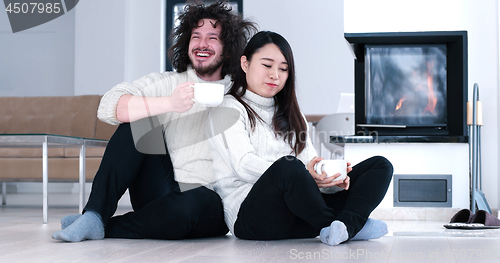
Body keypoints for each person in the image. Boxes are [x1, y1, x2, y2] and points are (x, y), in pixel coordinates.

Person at [51, 1, 257, 242]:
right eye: (196, 36)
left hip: (208, 204)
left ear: (229, 48)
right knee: (138, 119)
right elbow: (108, 106)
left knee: (198, 199)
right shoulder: (166, 82)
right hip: (159, 190)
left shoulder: (241, 95)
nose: (202, 44)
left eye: (212, 38)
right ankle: (95, 214)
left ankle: (104, 225)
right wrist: (169, 103)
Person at [206, 31, 394, 246]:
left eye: (283, 69)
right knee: (288, 167)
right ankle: (347, 225)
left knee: (380, 165)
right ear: (245, 63)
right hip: (253, 220)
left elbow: (310, 166)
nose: (275, 75)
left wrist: (331, 181)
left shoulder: (293, 115)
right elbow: (243, 165)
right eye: (267, 65)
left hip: (299, 217)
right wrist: (306, 175)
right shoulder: (227, 108)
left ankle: (343, 226)